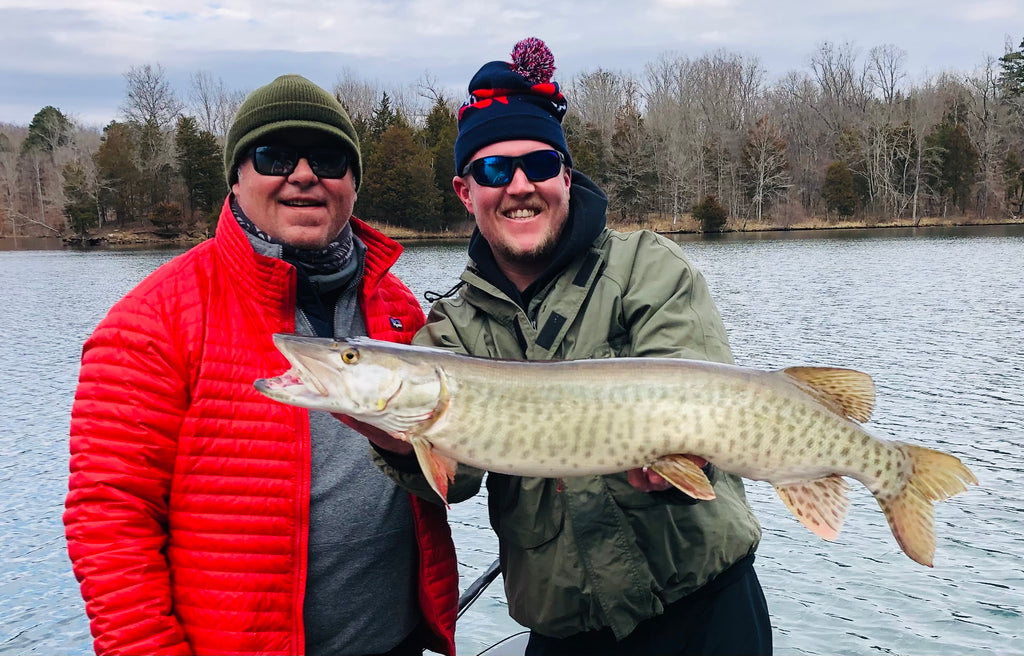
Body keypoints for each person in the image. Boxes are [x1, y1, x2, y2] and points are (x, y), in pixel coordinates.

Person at [369, 39, 771, 655]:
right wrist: (388, 435)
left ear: (565, 172)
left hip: (705, 613)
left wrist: (676, 458)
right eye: (495, 170)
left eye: (538, 163)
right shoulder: (452, 330)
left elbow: (702, 398)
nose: (519, 186)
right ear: (465, 190)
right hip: (565, 633)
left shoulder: (647, 267)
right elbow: (457, 480)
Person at [64, 74, 457, 656]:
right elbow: (109, 525)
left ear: (352, 183)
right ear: (237, 177)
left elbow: (448, 469)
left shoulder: (397, 308)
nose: (304, 175)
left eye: (327, 159)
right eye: (275, 156)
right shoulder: (150, 320)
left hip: (398, 642)